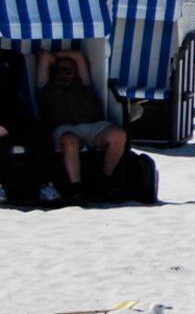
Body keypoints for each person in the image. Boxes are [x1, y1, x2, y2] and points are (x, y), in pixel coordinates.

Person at [36, 50, 127, 201]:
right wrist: (52, 60)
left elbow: (78, 56)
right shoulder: (47, 87)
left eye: (67, 71)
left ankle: (105, 180)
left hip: (92, 124)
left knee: (119, 135)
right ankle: (76, 188)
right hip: (64, 127)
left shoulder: (83, 84)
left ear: (76, 73)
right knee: (69, 141)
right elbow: (44, 55)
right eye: (58, 71)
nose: (62, 74)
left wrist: (57, 57)